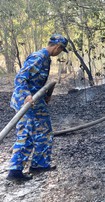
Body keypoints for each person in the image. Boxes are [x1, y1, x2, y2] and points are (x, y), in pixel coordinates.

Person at [6, 34, 68, 182]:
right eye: (61, 50)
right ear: (58, 47)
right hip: (25, 101)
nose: (60, 52)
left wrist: (46, 95)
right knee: (26, 133)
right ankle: (14, 171)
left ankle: (40, 164)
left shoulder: (45, 59)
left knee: (44, 130)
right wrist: (27, 95)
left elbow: (36, 81)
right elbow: (20, 78)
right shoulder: (38, 57)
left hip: (36, 100)